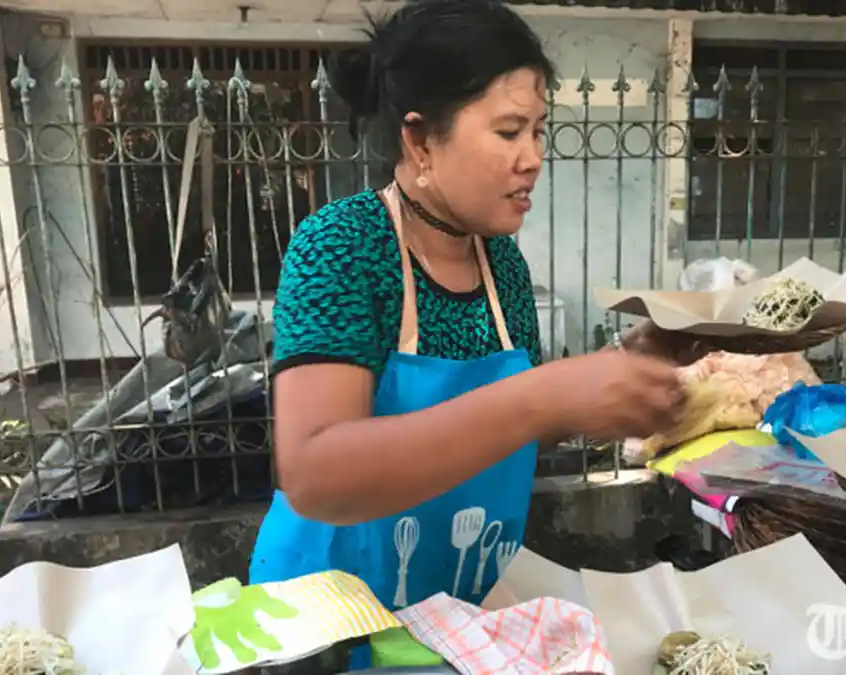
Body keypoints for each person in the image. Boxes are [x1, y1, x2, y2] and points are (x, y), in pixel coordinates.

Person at [249, 0, 697, 664]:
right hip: (328, 634)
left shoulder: (501, 266)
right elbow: (316, 472)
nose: (533, 158)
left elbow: (503, 435)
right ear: (421, 141)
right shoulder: (344, 246)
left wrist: (612, 382)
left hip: (451, 623)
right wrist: (544, 396)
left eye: (539, 131)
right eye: (509, 131)